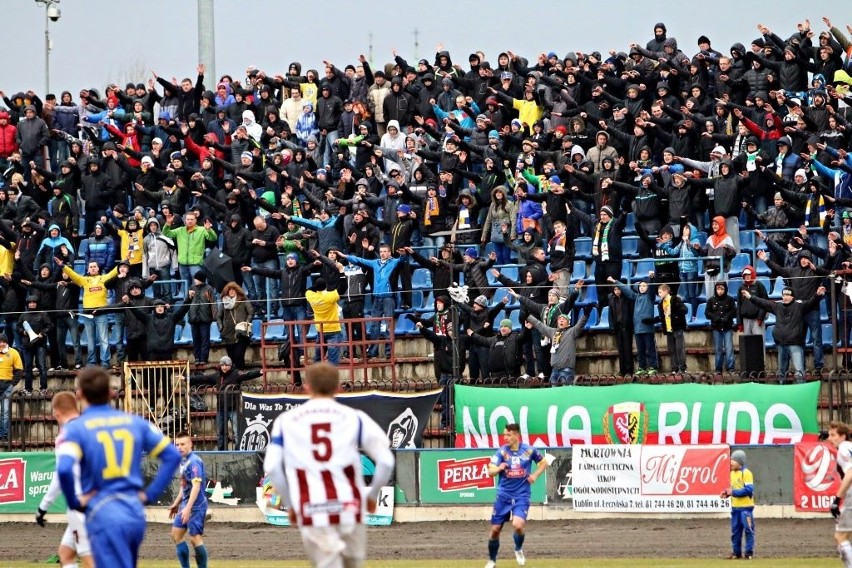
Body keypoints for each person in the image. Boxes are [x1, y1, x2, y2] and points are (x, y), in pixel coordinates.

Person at [263, 363, 395, 568]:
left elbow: (272, 467)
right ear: (338, 387)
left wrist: (290, 504)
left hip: (312, 508)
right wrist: (371, 496)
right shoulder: (355, 418)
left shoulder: (286, 421)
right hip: (350, 507)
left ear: (307, 387)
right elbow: (386, 461)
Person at [56, 366, 181, 568]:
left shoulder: (76, 429)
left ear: (79, 395)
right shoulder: (135, 422)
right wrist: (149, 495)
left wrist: (75, 502)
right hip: (134, 514)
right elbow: (173, 456)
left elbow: (63, 470)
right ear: (110, 393)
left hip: (103, 512)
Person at [35, 391, 93, 568]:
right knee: (65, 554)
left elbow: (61, 475)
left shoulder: (66, 435)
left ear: (56, 413)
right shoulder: (91, 427)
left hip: (81, 504)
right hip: (100, 499)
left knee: (91, 561)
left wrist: (43, 507)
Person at [485, 423, 549, 568]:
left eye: (508, 435)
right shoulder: (501, 453)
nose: (505, 438)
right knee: (495, 530)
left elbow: (544, 463)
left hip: (521, 496)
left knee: (518, 525)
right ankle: (492, 560)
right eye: (504, 435)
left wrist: (535, 476)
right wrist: (499, 468)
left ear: (516, 435)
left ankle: (518, 549)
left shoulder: (529, 450)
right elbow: (490, 470)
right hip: (503, 496)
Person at [742, 284, 826, 383]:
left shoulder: (799, 306)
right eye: (784, 295)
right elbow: (762, 303)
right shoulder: (777, 306)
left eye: (787, 295)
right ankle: (783, 392)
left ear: (792, 297)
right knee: (781, 372)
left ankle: (802, 393)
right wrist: (750, 297)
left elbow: (811, 302)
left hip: (795, 344)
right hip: (781, 344)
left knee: (799, 372)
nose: (785, 297)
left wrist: (818, 294)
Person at [192, 356, 262, 450]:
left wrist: (259, 372)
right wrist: (187, 378)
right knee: (220, 433)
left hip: (233, 408)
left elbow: (247, 374)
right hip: (221, 409)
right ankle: (221, 451)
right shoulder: (217, 375)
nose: (224, 367)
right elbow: (203, 378)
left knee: (237, 433)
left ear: (230, 365)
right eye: (222, 365)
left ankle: (238, 451)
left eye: (226, 365)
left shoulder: (236, 373)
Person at [169, 432, 209, 568]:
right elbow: (185, 486)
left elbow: (196, 486)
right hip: (186, 505)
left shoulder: (194, 462)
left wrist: (187, 508)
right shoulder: (183, 461)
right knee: (176, 534)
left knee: (194, 537)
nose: (179, 447)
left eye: (182, 444)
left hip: (196, 506)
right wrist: (177, 503)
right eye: (177, 445)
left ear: (190, 444)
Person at [525, 306, 591, 385]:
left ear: (568, 323)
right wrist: (528, 317)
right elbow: (540, 326)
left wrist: (585, 315)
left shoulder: (572, 332)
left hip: (566, 371)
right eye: (559, 319)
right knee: (554, 394)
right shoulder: (553, 332)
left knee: (566, 393)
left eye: (564, 319)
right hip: (554, 370)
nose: (561, 320)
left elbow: (580, 324)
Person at [646, 283, 688, 373]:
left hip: (677, 328)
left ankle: (683, 368)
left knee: (680, 349)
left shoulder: (675, 299)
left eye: (660, 292)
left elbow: (685, 310)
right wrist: (650, 321)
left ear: (665, 291)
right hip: (668, 329)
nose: (659, 294)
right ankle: (674, 368)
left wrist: (674, 312)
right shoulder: (660, 304)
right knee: (671, 350)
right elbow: (662, 317)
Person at [721, 449, 755, 560]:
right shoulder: (732, 473)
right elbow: (733, 489)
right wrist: (726, 493)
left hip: (746, 508)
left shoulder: (747, 473)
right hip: (735, 508)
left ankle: (748, 554)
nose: (731, 462)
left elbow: (749, 490)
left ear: (740, 462)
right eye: (731, 460)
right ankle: (736, 553)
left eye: (733, 460)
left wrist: (733, 493)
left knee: (748, 530)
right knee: (735, 532)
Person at [828, 421, 852, 568]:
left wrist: (837, 499)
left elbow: (850, 473)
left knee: (840, 536)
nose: (830, 438)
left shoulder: (843, 448)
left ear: (842, 436)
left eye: (833, 435)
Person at [706, 282, 737, 374]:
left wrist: (727, 317)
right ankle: (718, 368)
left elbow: (734, 311)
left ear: (725, 290)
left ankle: (731, 368)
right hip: (716, 327)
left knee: (729, 348)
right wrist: (715, 317)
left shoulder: (730, 300)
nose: (720, 291)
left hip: (727, 327)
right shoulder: (711, 300)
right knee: (718, 349)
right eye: (718, 289)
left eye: (722, 289)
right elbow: (707, 313)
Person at [0, 333, 23, 440]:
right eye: (0, 342)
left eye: (3, 342)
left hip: (7, 385)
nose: (1, 344)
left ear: (7, 342)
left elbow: (19, 370)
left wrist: (11, 385)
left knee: (5, 412)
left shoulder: (14, 353)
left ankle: (5, 435)